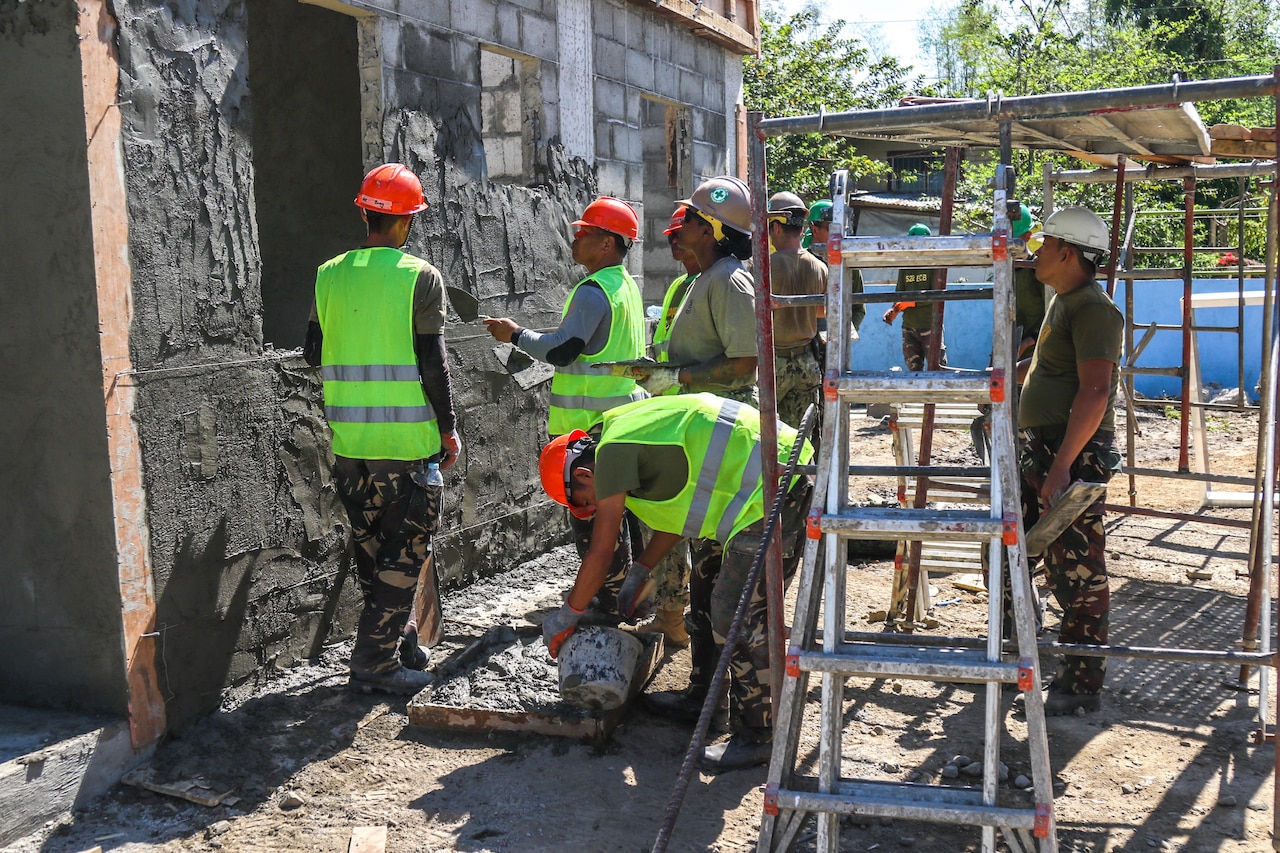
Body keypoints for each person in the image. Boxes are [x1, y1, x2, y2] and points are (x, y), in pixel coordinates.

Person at [537, 394, 814, 771]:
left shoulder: (612, 455)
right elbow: (678, 511)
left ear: (584, 476)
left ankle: (759, 736)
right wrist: (642, 568)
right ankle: (705, 700)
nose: (589, 511)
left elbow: (601, 551)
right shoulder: (617, 437)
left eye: (584, 503)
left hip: (777, 481)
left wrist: (567, 615)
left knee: (738, 617)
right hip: (745, 490)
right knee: (702, 599)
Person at [304, 163, 462, 695]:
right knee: (407, 554)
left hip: (350, 446)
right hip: (406, 446)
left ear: (365, 212)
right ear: (408, 222)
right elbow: (432, 363)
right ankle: (374, 661)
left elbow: (311, 351)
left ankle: (399, 645)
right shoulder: (419, 277)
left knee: (375, 555)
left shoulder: (329, 274)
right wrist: (449, 429)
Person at [483, 198, 650, 622]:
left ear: (608, 243)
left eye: (585, 232)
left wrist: (515, 334)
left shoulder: (594, 292)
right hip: (621, 419)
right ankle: (631, 595)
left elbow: (561, 350)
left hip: (590, 431)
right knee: (623, 516)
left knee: (594, 523)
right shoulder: (625, 285)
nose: (575, 238)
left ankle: (609, 604)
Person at [1017, 206, 1123, 716]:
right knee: (1025, 556)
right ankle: (1027, 662)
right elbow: (1058, 375)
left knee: (1077, 572)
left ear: (1068, 251)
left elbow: (1096, 391)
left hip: (1072, 454)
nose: (1035, 250)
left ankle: (1081, 684)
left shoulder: (1092, 308)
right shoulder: (1063, 301)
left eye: (1044, 242)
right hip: (1050, 449)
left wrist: (1062, 466)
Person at [624, 177, 759, 404]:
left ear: (707, 232)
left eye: (688, 218)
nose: (680, 225)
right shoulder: (706, 277)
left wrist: (675, 376)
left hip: (725, 411)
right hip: (705, 406)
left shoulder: (729, 280)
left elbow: (745, 361)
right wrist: (663, 370)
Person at [766, 191, 829, 430]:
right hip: (807, 363)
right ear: (802, 229)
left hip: (775, 365)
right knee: (799, 440)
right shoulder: (819, 267)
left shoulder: (764, 267)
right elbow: (821, 313)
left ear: (778, 228)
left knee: (765, 436)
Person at [882, 223, 946, 371]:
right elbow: (900, 294)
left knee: (938, 370)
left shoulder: (934, 265)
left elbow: (936, 295)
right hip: (909, 328)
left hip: (930, 325)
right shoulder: (906, 265)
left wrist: (911, 303)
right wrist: (894, 310)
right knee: (913, 372)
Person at [651, 208, 700, 367]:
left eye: (679, 234)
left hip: (691, 385)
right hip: (669, 386)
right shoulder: (677, 286)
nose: (674, 241)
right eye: (671, 236)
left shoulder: (709, 283)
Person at [1012, 203, 1046, 358]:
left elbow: (1052, 316)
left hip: (1036, 353)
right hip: (1010, 348)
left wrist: (1026, 343)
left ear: (1027, 236)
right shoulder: (1004, 271)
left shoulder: (1038, 270)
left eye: (1013, 239)